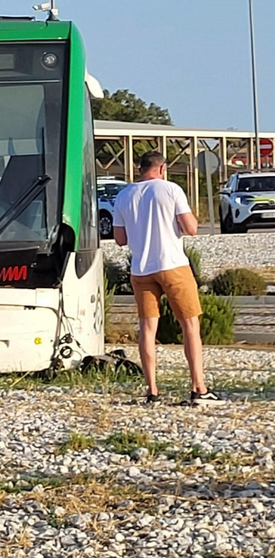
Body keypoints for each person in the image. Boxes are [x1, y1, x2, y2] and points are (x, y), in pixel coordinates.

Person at [111, 151, 223, 406]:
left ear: (141, 169)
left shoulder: (124, 195)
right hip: (172, 265)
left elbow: (120, 239)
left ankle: (152, 391)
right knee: (190, 326)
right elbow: (191, 228)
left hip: (140, 269)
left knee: (148, 329)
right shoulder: (171, 189)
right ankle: (198, 388)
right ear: (162, 168)